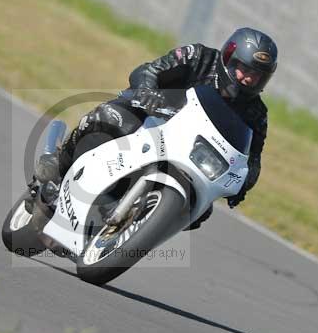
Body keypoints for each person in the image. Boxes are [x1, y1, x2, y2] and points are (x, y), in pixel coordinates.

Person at [35, 27, 277, 230]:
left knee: (201, 211)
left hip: (190, 153)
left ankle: (132, 231)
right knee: (110, 117)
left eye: (256, 76)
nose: (247, 79)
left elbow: (252, 159)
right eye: (244, 69)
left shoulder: (257, 113)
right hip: (149, 117)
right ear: (228, 58)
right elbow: (151, 70)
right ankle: (59, 167)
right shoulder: (199, 57)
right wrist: (148, 90)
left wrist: (242, 184)